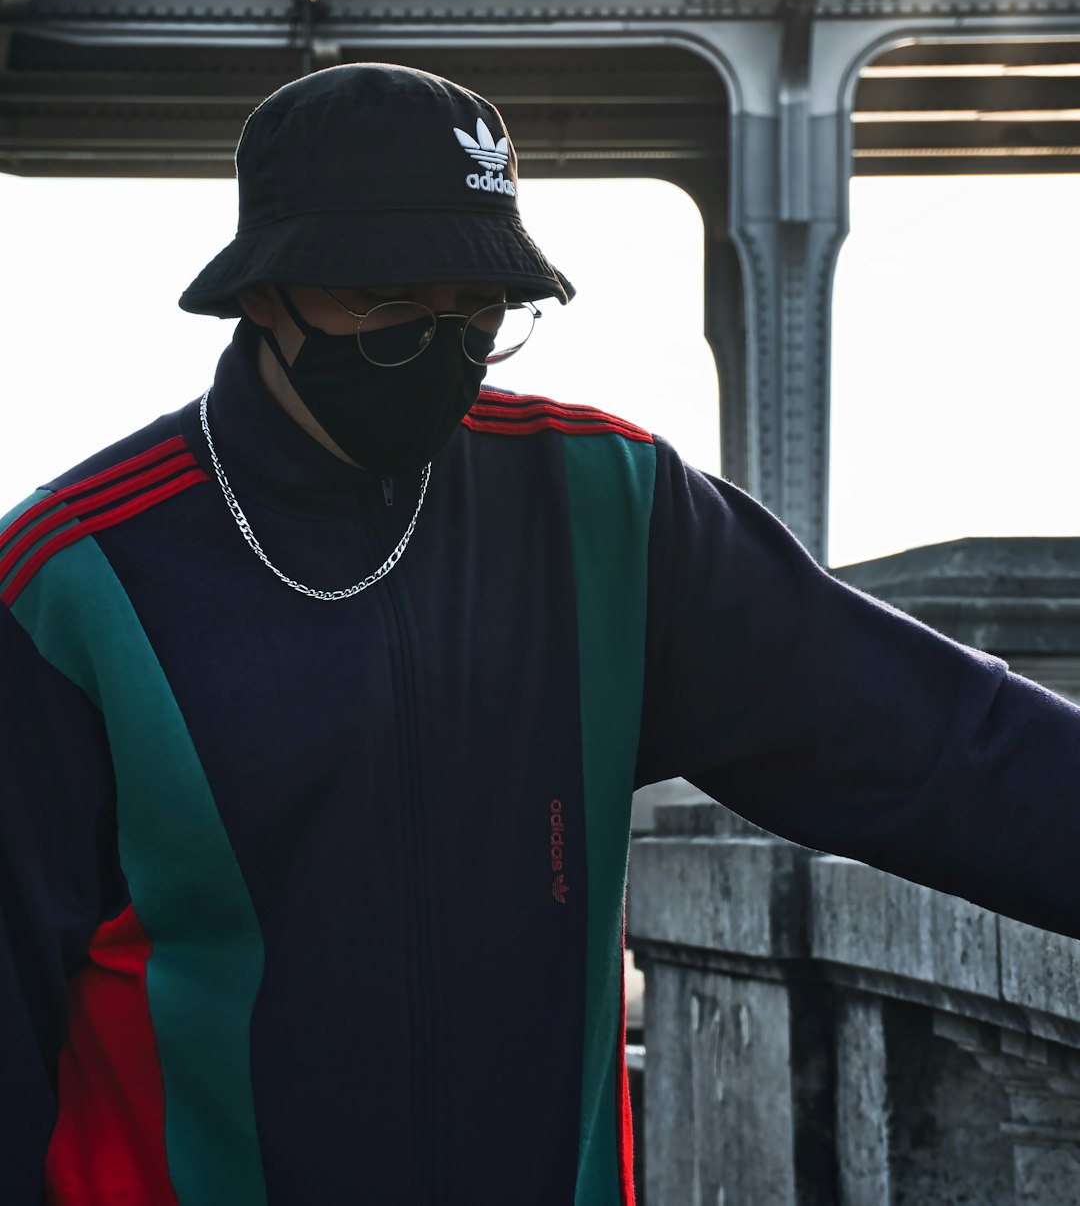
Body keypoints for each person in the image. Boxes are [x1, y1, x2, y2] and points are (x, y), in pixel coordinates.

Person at [2, 61, 1079, 1206]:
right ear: (264, 293)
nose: (445, 356)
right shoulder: (76, 580)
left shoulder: (610, 509)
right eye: (391, 314)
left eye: (481, 320)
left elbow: (936, 742)